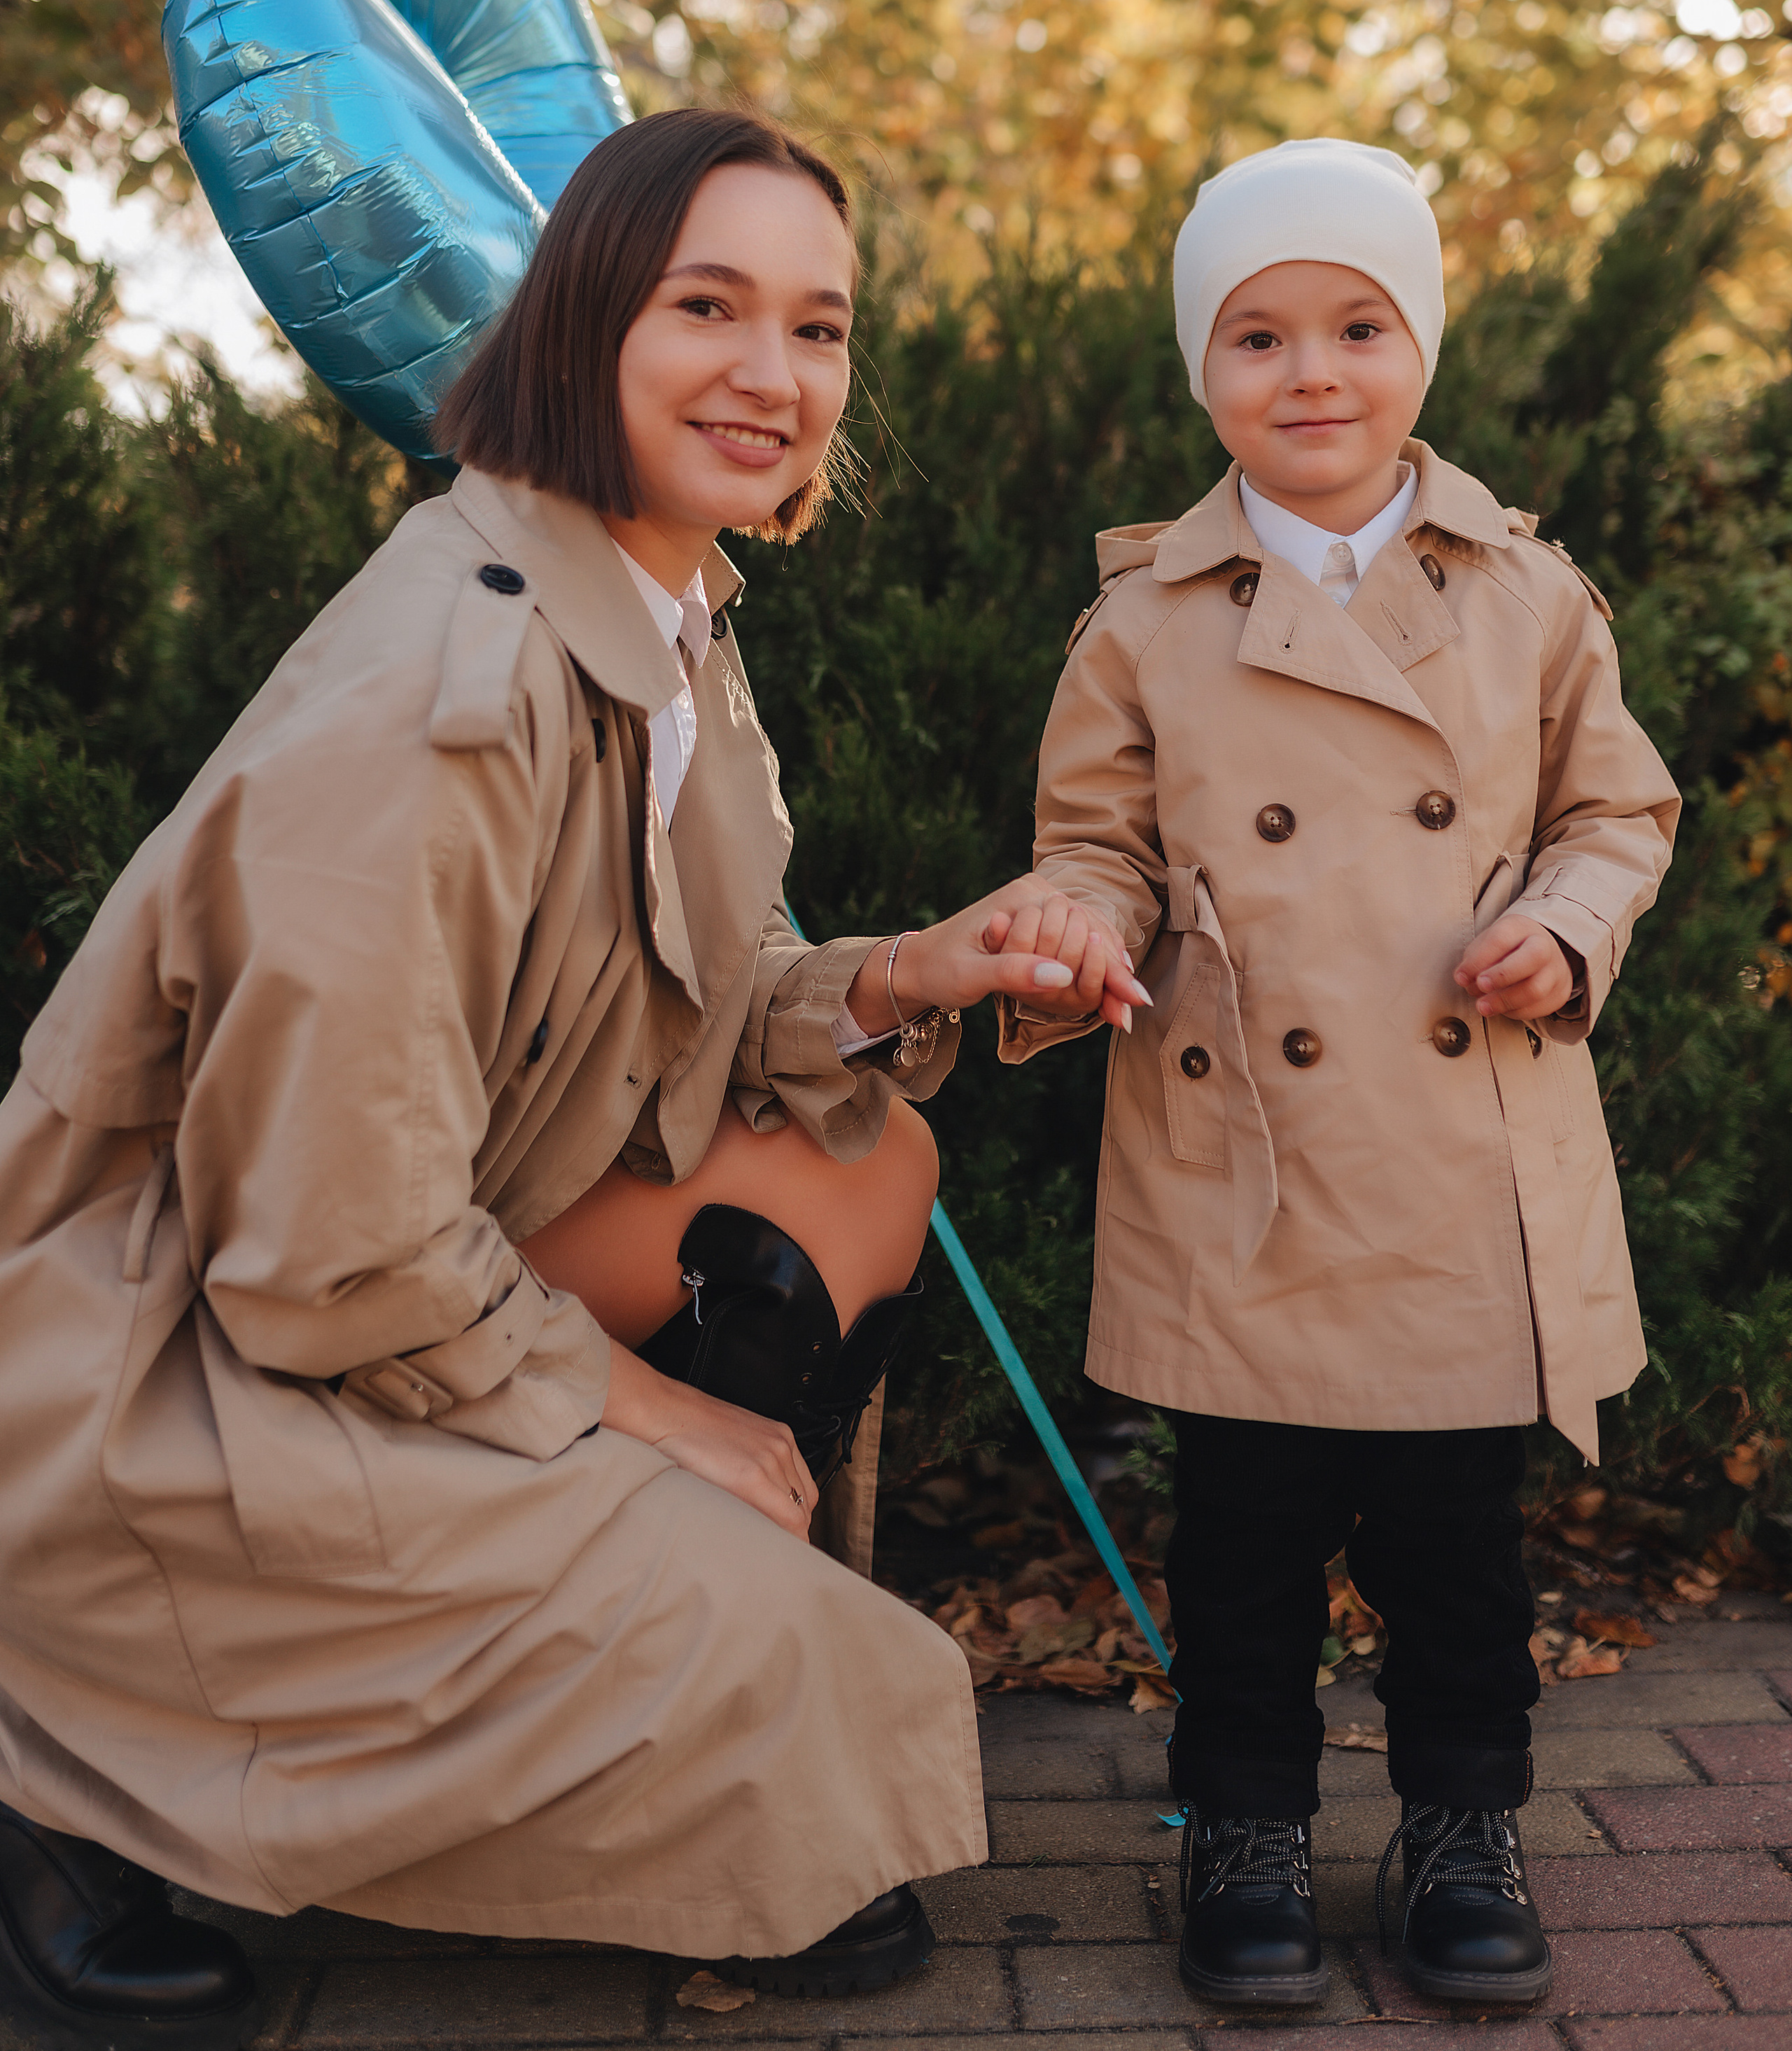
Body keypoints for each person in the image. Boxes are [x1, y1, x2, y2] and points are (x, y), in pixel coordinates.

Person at [0, 106, 1141, 2050]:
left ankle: (594, 1615)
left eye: (820, 325)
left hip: (385, 1278)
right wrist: (637, 1414)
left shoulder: (654, 612)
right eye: (711, 306)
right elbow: (322, 1246)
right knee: (821, 1738)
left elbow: (652, 1015)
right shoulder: (441, 703)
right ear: (587, 320)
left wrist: (901, 976)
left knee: (862, 1170)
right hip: (170, 1369)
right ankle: (57, 1766)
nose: (774, 375)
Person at [992, 139, 1679, 2013]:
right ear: (1203, 373)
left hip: (1465, 1149)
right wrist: (1071, 921)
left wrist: (1567, 924)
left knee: (1462, 1558)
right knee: (1244, 1556)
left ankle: (1465, 1833)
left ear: (1422, 350)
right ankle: (1250, 1835)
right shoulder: (1142, 622)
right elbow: (1096, 843)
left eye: (1358, 325)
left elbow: (1619, 810)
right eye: (1258, 333)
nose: (1312, 370)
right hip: (1250, 1162)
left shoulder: (1532, 595)